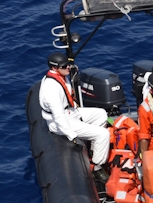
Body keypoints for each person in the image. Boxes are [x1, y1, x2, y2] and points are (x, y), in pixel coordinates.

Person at [39, 52, 109, 180]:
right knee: (103, 134)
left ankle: (94, 149)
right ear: (54, 68)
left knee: (101, 114)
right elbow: (59, 117)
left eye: (68, 65)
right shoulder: (51, 89)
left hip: (71, 112)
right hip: (60, 121)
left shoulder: (62, 76)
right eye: (65, 66)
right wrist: (73, 136)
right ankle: (97, 167)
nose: (68, 68)